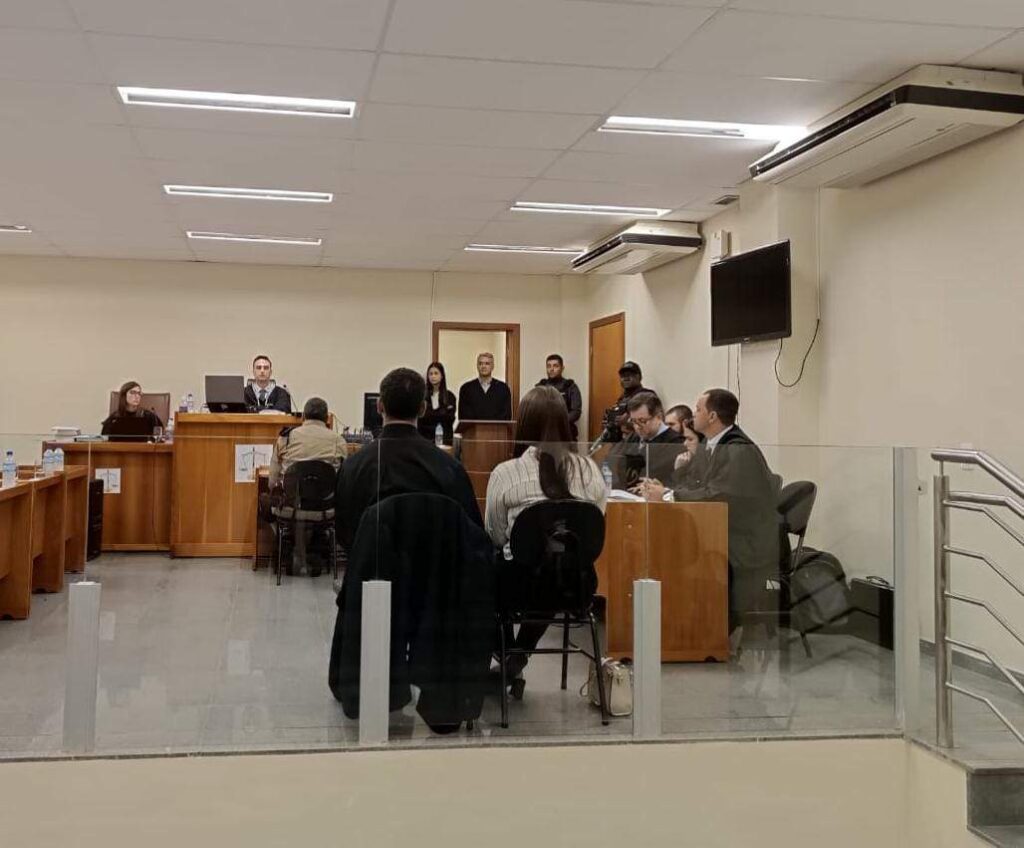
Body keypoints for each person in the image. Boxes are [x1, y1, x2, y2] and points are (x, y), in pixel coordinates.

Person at [485, 385, 607, 686]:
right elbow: (593, 529)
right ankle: (518, 655)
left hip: (517, 586)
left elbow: (496, 535)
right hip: (576, 587)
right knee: (551, 573)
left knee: (488, 572)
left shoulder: (506, 473)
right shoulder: (590, 472)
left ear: (523, 425)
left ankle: (508, 651)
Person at [637, 389, 779, 632]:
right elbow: (696, 484)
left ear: (712, 416)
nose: (693, 415)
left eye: (698, 409)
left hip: (742, 539)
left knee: (675, 548)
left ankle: (693, 628)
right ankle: (668, 622)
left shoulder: (738, 449)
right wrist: (666, 489)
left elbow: (718, 495)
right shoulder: (711, 445)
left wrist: (669, 496)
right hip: (720, 529)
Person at [336, 367, 481, 549]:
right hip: (433, 565)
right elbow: (473, 538)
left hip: (372, 564)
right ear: (422, 409)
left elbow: (344, 534)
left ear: (379, 406)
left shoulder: (352, 467)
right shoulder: (450, 468)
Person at [268, 397, 346, 488]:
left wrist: (272, 488)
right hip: (326, 495)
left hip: (292, 494)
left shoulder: (286, 438)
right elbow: (344, 476)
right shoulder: (338, 440)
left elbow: (272, 480)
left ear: (303, 417)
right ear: (326, 418)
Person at [625, 391, 683, 487]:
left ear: (659, 417)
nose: (637, 427)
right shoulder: (632, 438)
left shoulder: (675, 443)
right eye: (633, 421)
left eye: (642, 421)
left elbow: (668, 478)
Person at [536, 354, 582, 440]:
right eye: (549, 366)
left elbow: (576, 412)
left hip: (565, 433)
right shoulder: (540, 386)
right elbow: (533, 410)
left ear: (562, 368)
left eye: (555, 366)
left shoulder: (570, 386)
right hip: (544, 434)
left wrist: (558, 422)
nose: (551, 369)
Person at [599, 361, 647, 442]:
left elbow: (650, 424)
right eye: (623, 376)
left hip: (639, 443)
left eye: (629, 375)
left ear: (638, 377)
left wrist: (626, 423)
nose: (625, 378)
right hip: (621, 443)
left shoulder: (646, 395)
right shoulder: (622, 399)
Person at [457, 352, 512, 421]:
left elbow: (506, 416)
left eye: (487, 363)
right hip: (473, 428)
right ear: (477, 366)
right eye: (480, 363)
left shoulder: (503, 389)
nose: (483, 366)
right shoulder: (466, 389)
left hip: (497, 428)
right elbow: (464, 417)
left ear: (492, 366)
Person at [417, 361, 457, 445]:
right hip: (425, 440)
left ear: (442, 376)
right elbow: (420, 419)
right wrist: (440, 415)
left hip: (445, 440)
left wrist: (431, 416)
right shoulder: (421, 396)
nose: (433, 376)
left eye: (436, 373)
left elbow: (450, 420)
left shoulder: (450, 396)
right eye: (430, 374)